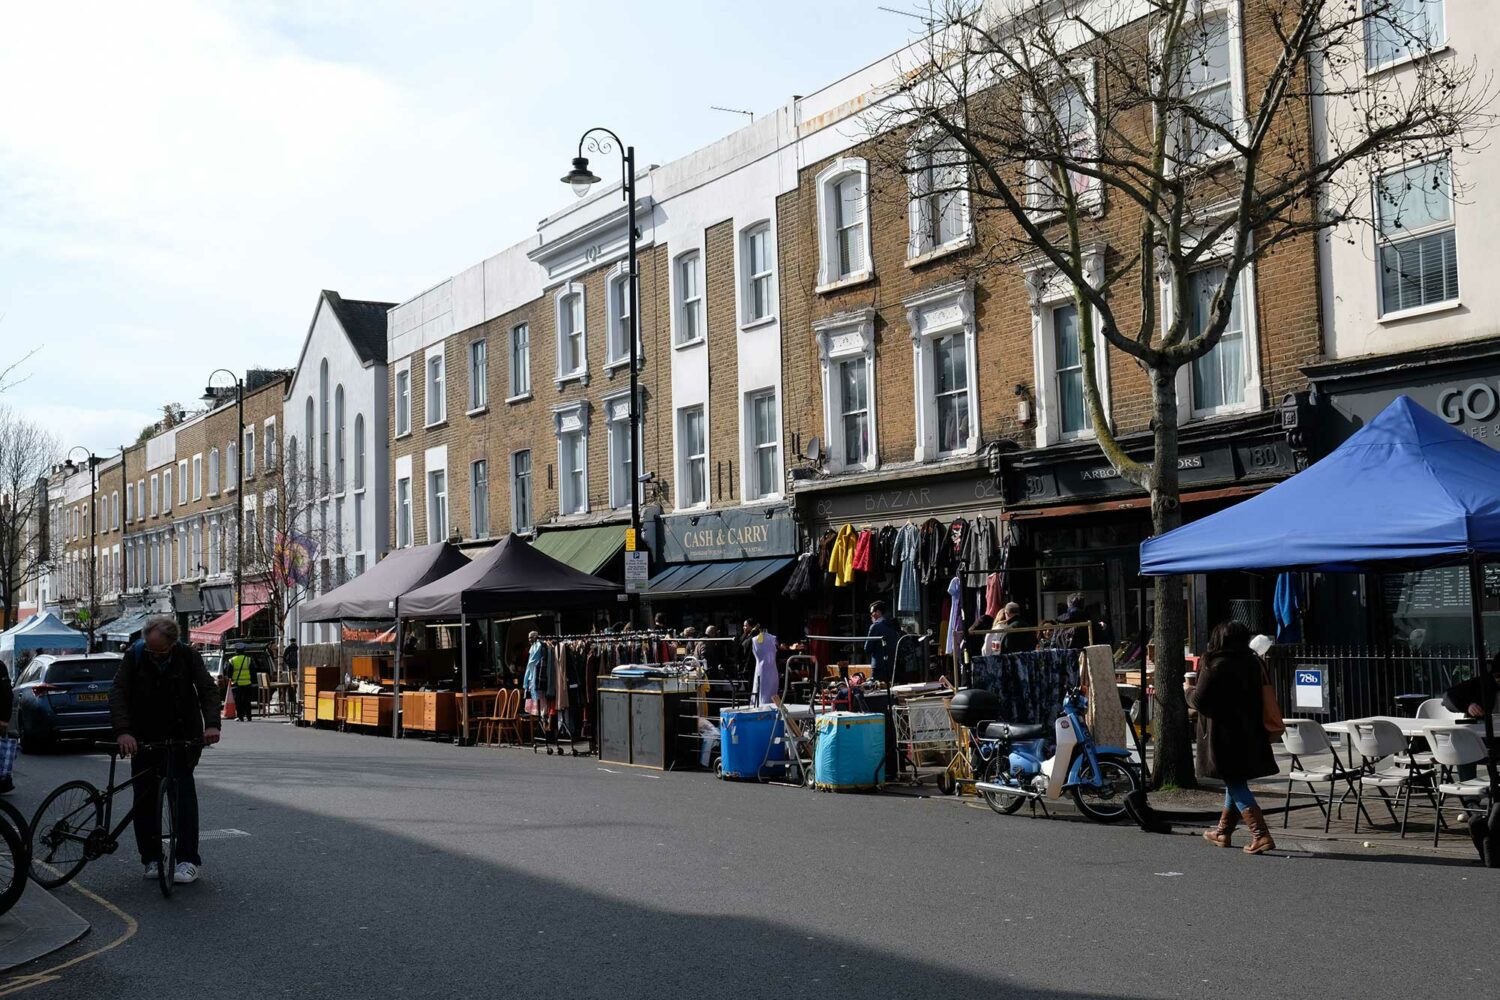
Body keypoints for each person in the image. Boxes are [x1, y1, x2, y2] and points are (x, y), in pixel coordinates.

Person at [109, 615, 221, 885]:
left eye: (160, 651)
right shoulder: (135, 656)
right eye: (150, 649)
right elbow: (118, 692)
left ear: (173, 643)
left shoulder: (187, 656)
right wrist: (124, 731)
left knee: (182, 796)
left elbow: (207, 689)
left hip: (182, 737)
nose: (154, 655)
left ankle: (188, 861)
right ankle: (151, 857)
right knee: (144, 799)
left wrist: (212, 725)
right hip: (144, 737)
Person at [1189, 620, 1279, 855]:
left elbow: (1200, 701)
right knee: (1235, 779)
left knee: (1235, 781)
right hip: (1251, 730)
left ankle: (1260, 834)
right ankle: (1223, 831)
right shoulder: (1254, 662)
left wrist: (1187, 691)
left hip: (1224, 734)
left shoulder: (1214, 663)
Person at [1443, 652, 1500, 719]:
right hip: (1481, 728)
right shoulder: (1480, 684)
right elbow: (1448, 697)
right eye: (1498, 676)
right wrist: (1468, 706)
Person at [864, 602, 903, 685]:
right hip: (892, 665)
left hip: (878, 665)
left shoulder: (875, 626)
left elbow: (867, 648)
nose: (871, 615)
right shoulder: (893, 625)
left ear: (878, 612)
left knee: (876, 689)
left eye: (872, 613)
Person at [747, 620, 780, 707]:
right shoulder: (771, 639)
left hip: (762, 670)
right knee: (765, 692)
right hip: (770, 670)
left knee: (762, 692)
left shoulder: (754, 639)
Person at [227, 647, 255, 722]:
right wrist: (252, 680)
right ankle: (249, 717)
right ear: (244, 651)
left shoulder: (232, 660)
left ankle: (240, 717)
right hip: (247, 683)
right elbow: (253, 671)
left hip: (237, 684)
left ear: (236, 651)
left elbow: (229, 673)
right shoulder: (248, 659)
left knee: (238, 701)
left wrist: (232, 679)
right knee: (247, 701)